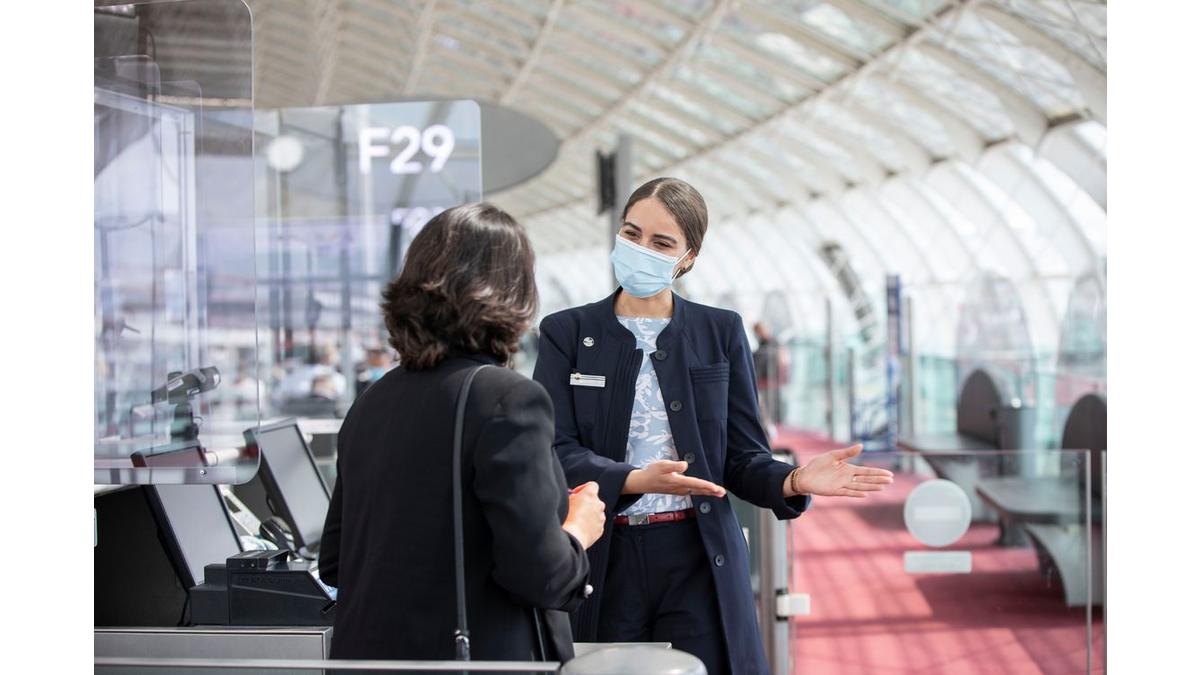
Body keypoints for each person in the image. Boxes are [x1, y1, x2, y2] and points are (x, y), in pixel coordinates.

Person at [532, 177, 895, 675]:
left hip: (696, 557)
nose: (640, 249)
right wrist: (634, 480)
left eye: (661, 243)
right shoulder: (567, 332)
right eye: (632, 233)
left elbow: (742, 457)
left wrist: (792, 479)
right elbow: (553, 448)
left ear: (688, 258)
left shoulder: (719, 331)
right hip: (603, 554)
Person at [319, 203, 605, 662]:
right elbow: (543, 576)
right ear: (514, 293)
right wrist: (578, 528)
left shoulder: (371, 402)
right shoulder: (508, 400)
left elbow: (335, 562)